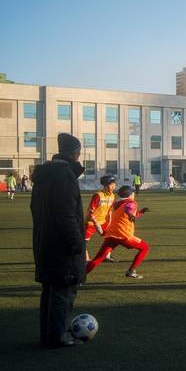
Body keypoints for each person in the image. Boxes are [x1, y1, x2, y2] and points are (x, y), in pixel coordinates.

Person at [31, 133, 86, 348]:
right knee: (63, 290)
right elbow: (66, 214)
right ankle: (59, 336)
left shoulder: (44, 175)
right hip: (61, 244)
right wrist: (76, 242)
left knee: (50, 291)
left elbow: (35, 209)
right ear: (75, 153)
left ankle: (48, 334)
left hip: (44, 240)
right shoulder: (64, 175)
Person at [86, 186, 150, 279]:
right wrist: (130, 214)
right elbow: (129, 209)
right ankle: (131, 271)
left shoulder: (116, 203)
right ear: (130, 195)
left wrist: (141, 212)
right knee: (145, 248)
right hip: (124, 235)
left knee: (98, 259)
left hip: (111, 234)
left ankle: (79, 277)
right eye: (133, 193)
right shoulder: (131, 202)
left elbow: (130, 213)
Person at [84, 176, 118, 262]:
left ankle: (107, 256)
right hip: (91, 223)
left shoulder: (113, 196)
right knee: (83, 242)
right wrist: (90, 220)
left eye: (114, 184)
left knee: (112, 238)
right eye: (111, 185)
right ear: (105, 185)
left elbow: (111, 210)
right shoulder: (98, 195)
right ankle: (86, 259)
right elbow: (90, 210)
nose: (114, 187)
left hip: (103, 222)